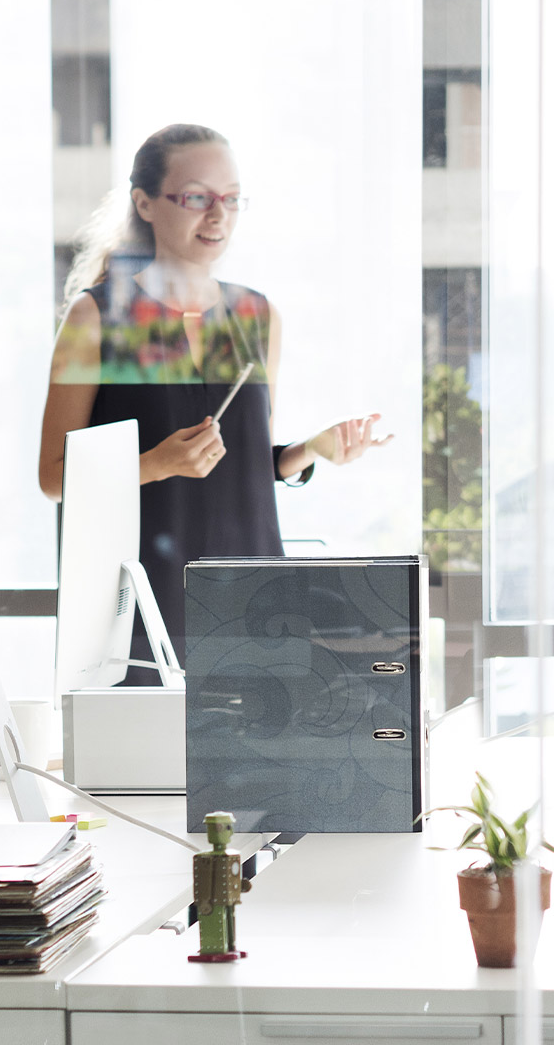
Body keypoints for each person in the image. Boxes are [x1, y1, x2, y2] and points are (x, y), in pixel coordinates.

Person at [37, 123, 393, 654]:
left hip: (254, 600)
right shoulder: (98, 317)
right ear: (146, 203)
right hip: (138, 605)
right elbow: (54, 478)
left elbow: (247, 463)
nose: (218, 215)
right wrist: (157, 463)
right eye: (197, 197)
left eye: (230, 199)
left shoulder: (255, 314)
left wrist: (311, 451)